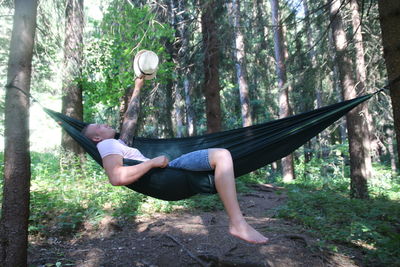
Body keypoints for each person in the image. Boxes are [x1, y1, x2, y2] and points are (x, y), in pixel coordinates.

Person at [82, 77, 268, 244]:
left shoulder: (117, 143)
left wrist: (138, 86)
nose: (105, 123)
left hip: (168, 173)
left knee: (222, 158)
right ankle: (237, 223)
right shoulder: (106, 146)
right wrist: (152, 162)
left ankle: (237, 221)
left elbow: (130, 119)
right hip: (167, 173)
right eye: (99, 126)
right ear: (97, 138)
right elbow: (116, 177)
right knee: (222, 155)